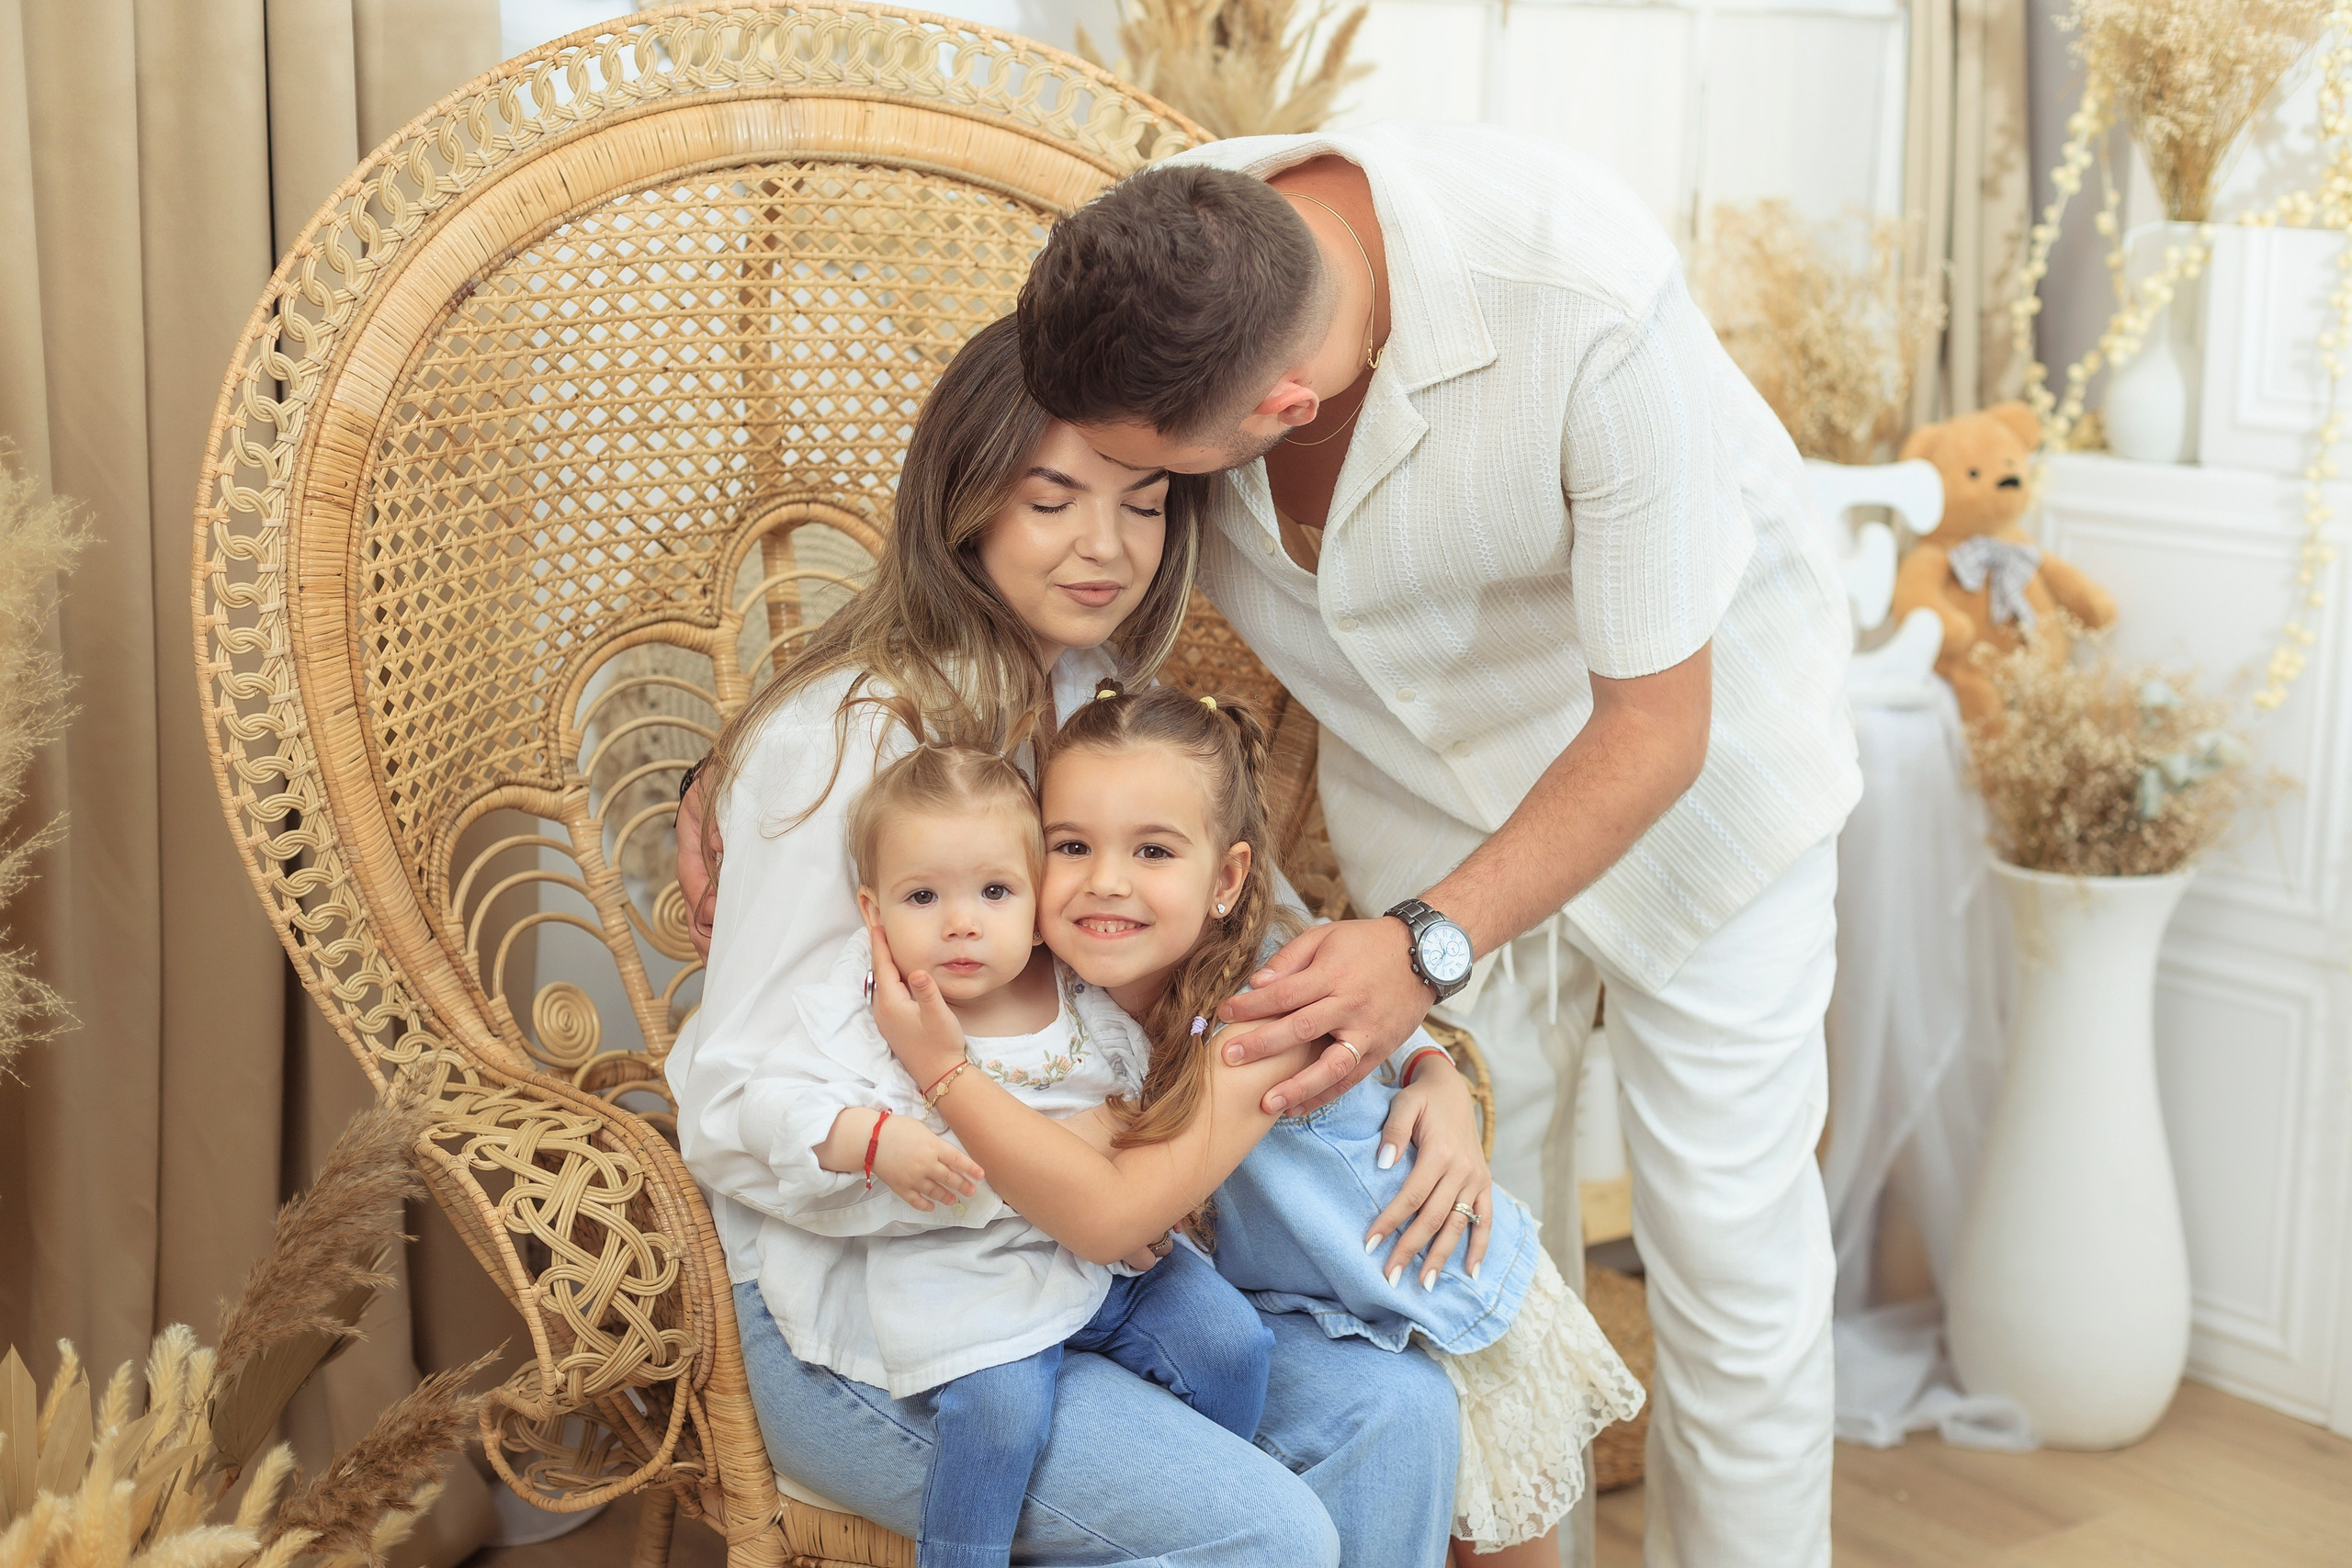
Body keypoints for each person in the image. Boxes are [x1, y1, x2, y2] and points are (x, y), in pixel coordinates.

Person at [1012, 124, 1860, 1567]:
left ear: (1285, 403)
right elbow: (999, 522)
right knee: (1463, 1277)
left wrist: (1428, 943)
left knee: (1733, 1273)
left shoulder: (1585, 293)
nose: (1130, 511)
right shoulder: (1157, 268)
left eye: (1162, 482)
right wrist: (781, 740)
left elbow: (1656, 724)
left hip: (1706, 798)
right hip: (1417, 809)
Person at [666, 314, 1470, 1567]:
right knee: (1265, 1530)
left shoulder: (1099, 702)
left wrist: (1431, 1065)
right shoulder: (840, 744)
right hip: (877, 1309)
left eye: (1143, 505)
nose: (1105, 546)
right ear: (968, 501)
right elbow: (726, 1105)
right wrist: (1017, 1166)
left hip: (1095, 1273)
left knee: (1402, 1413)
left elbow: (1269, 938)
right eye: (1052, 499)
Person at [865, 682, 1645, 1566]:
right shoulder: (1082, 987)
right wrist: (1435, 1067)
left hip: (1433, 1297)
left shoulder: (1253, 1012)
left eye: (1153, 849)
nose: (1106, 880)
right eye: (1071, 846)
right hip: (1310, 1303)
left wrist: (1439, 1074)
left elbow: (1116, 1200)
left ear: (1228, 878)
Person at [795, 741, 1273, 1568]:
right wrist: (863, 1139)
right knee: (1002, 1413)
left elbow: (1139, 1097)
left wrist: (1130, 1176)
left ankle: (1188, 1504)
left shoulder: (1076, 984)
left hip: (1107, 1256)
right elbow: (789, 1107)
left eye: (994, 891)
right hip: (974, 1271)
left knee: (1230, 1340)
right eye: (923, 896)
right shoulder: (879, 1008)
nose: (962, 922)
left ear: (1029, 890)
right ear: (874, 911)